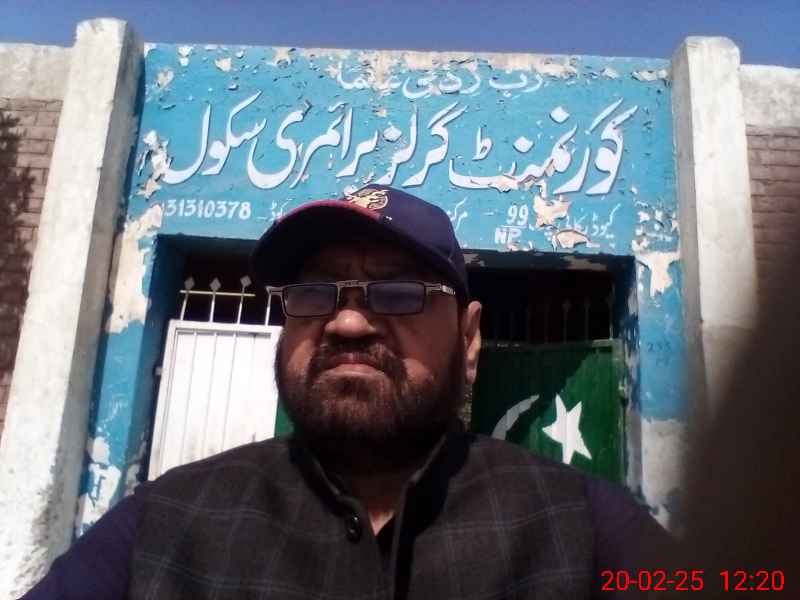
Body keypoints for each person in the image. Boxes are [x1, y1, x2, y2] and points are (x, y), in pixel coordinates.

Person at [24, 185, 669, 599]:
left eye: (400, 292)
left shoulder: (582, 528)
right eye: (315, 292)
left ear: (469, 340)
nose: (349, 323)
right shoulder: (165, 525)